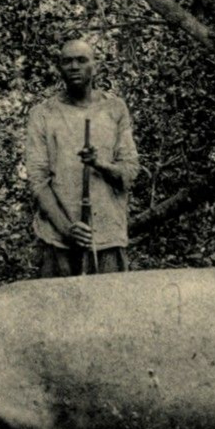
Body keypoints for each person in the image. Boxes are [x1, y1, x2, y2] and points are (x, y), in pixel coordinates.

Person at [24, 38, 141, 277]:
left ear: (95, 66)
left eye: (81, 60)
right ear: (59, 68)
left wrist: (100, 164)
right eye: (67, 61)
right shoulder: (43, 114)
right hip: (58, 240)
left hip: (107, 236)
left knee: (110, 311)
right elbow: (38, 181)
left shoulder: (114, 109)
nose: (74, 66)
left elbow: (129, 171)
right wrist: (68, 229)